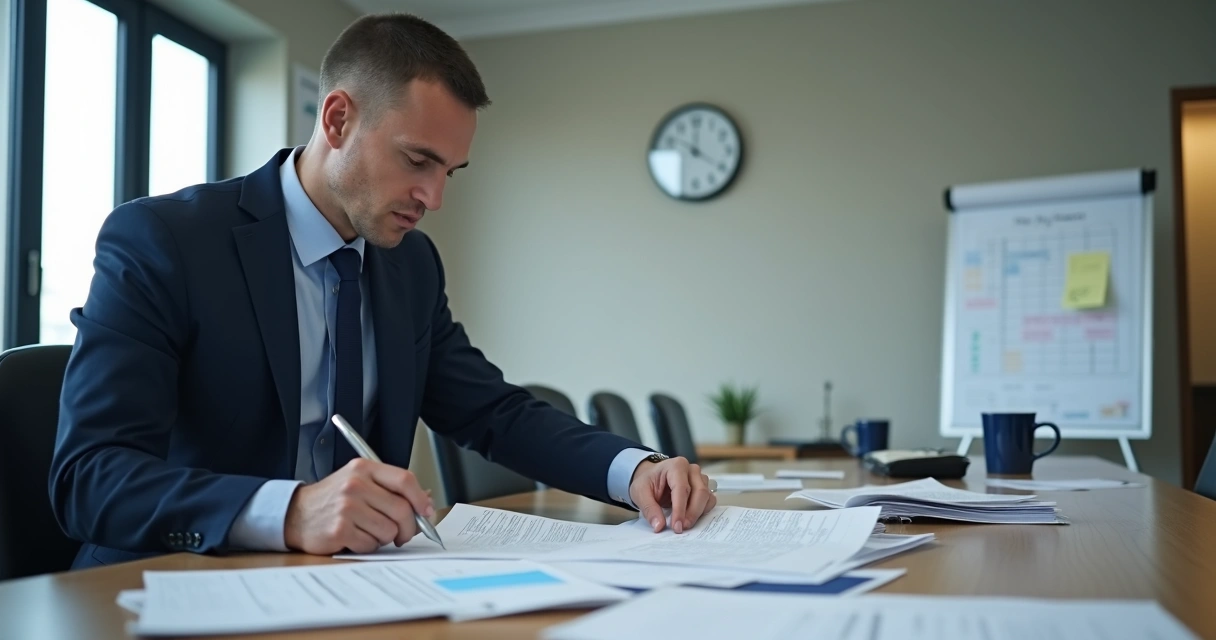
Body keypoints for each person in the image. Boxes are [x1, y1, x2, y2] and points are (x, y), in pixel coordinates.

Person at [48, 13, 715, 570]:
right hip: (170, 585)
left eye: (450, 170)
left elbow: (494, 413)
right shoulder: (166, 241)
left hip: (356, 586)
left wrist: (631, 470)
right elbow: (89, 477)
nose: (435, 197)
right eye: (417, 160)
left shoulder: (410, 265)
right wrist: (289, 510)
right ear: (337, 119)